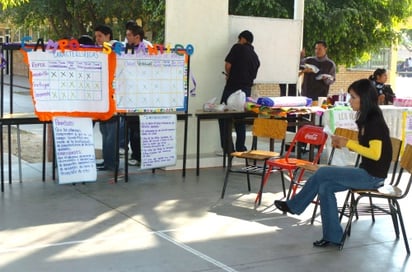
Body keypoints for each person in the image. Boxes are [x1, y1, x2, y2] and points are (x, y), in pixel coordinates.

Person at [274, 78, 392, 247]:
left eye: (353, 97)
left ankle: (295, 206)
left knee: (322, 172)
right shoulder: (367, 118)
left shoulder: (374, 121)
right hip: (366, 172)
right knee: (325, 187)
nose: (349, 101)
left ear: (364, 98)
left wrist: (348, 143)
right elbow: (369, 149)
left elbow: (375, 154)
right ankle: (333, 237)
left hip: (372, 177)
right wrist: (345, 141)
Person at [219, 30, 260, 152]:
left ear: (242, 39)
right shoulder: (255, 57)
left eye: (238, 39)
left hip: (232, 87)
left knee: (223, 115)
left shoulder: (238, 47)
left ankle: (228, 148)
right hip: (246, 90)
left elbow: (228, 65)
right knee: (240, 118)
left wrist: (229, 75)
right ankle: (240, 147)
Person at [94, 24, 118, 171]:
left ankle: (111, 163)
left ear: (108, 36)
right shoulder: (100, 51)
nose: (97, 39)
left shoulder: (115, 48)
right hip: (102, 100)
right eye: (96, 37)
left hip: (112, 100)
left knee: (111, 135)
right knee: (105, 133)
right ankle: (107, 160)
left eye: (100, 36)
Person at [124, 22, 148, 166]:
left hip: (141, 96)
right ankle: (136, 154)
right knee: (132, 127)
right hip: (130, 95)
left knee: (138, 128)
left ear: (137, 37)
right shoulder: (126, 50)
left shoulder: (145, 51)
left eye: (128, 35)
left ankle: (139, 156)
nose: (126, 38)